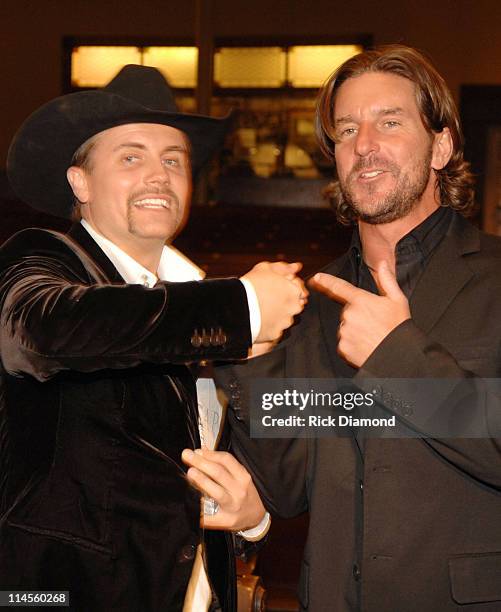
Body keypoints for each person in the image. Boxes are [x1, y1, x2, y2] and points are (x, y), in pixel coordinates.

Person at [196, 45, 501, 611]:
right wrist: (253, 352)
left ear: (442, 145)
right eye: (346, 129)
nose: (365, 145)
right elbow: (287, 490)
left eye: (390, 122)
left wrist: (396, 354)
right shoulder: (317, 301)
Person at [0, 64, 307, 611]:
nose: (158, 176)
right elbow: (37, 333)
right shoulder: (43, 259)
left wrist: (250, 515)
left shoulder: (195, 300)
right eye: (130, 157)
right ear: (81, 182)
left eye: (173, 160)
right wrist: (243, 305)